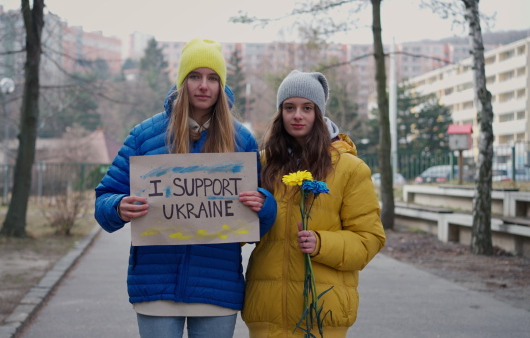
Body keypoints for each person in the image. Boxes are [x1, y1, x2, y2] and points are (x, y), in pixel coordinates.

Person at [94, 38, 276, 338]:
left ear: (221, 85)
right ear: (182, 82)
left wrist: (264, 204)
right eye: (195, 76)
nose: (203, 85)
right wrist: (117, 206)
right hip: (156, 286)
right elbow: (104, 202)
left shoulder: (241, 140)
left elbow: (263, 222)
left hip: (216, 288)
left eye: (212, 78)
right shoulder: (144, 136)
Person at [241, 70, 386, 338]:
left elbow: (370, 239)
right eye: (289, 107)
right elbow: (236, 232)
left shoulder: (350, 169)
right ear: (280, 113)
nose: (297, 115)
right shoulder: (261, 164)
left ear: (319, 113)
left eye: (307, 108)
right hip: (267, 313)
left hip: (322, 314)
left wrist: (322, 243)